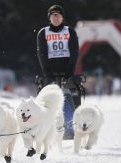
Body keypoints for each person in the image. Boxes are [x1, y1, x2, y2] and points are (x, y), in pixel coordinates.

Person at [36, 5, 80, 139]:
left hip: (67, 71)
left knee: (70, 97)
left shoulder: (70, 32)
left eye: (58, 15)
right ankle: (48, 132)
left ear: (62, 17)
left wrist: (69, 72)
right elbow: (42, 54)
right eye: (53, 15)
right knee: (47, 102)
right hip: (50, 72)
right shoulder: (43, 33)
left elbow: (74, 53)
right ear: (49, 17)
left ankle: (71, 130)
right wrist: (47, 73)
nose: (55, 17)